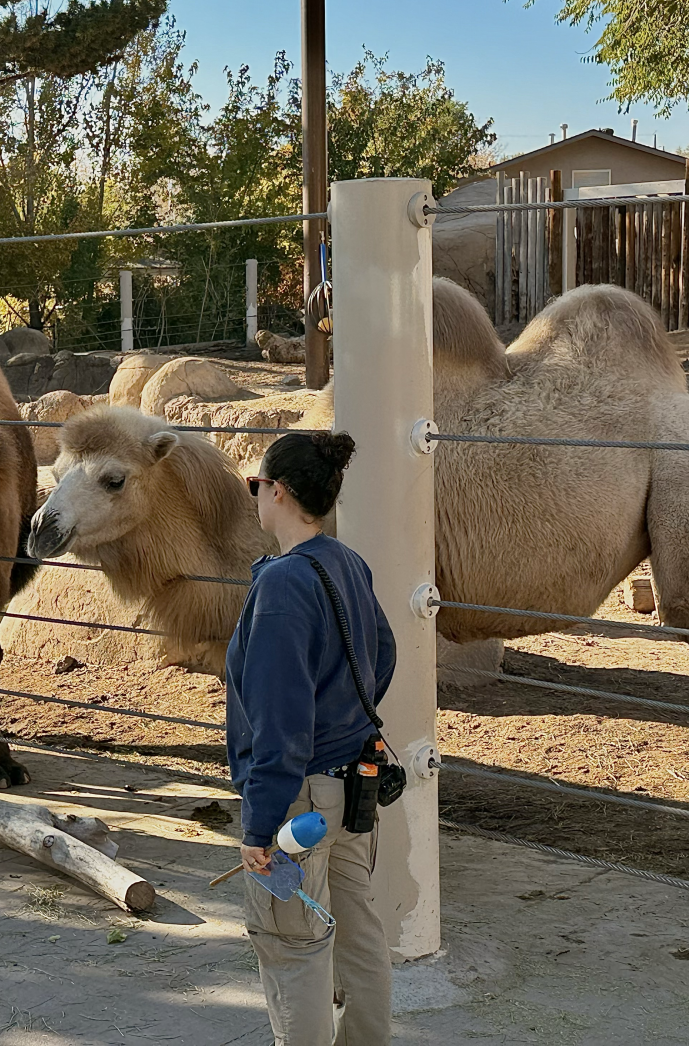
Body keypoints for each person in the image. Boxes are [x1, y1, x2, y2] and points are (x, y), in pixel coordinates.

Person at [226, 430, 396, 1046]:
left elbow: (277, 722)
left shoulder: (280, 587)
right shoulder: (345, 562)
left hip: (297, 801)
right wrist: (346, 718)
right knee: (358, 936)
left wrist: (257, 824)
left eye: (256, 486)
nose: (255, 497)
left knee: (291, 943)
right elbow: (384, 651)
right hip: (352, 787)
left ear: (279, 491)